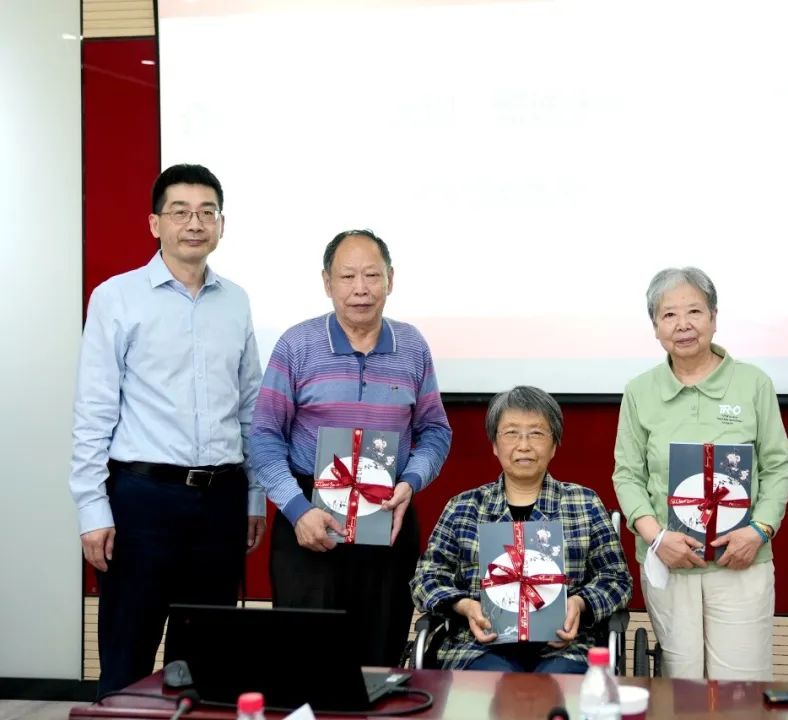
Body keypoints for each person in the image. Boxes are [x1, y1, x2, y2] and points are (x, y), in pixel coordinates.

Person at [68, 164, 265, 696]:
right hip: (142, 500)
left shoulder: (237, 300)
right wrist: (92, 509)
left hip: (221, 499)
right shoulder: (116, 297)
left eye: (207, 212)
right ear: (155, 223)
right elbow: (93, 410)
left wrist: (253, 498)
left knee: (205, 663)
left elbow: (250, 407)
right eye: (180, 212)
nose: (194, 223)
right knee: (127, 658)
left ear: (221, 224)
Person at [250, 229, 451, 667]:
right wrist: (297, 510)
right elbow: (264, 436)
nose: (361, 288)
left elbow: (436, 431)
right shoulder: (296, 345)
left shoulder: (413, 346)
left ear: (390, 279)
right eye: (347, 276)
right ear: (327, 282)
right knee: (307, 664)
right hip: (309, 521)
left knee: (379, 660)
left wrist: (411, 481)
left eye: (372, 275)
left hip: (387, 516)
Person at [612, 267, 788, 680]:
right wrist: (657, 538)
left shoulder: (753, 383)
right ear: (655, 327)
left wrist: (759, 531)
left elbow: (778, 465)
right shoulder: (640, 391)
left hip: (741, 559)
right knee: (682, 682)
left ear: (714, 317)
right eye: (669, 315)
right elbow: (627, 474)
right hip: (669, 559)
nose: (683, 324)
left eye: (694, 311)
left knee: (741, 686)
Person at [410, 386, 632, 672]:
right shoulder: (463, 507)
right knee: (495, 684)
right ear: (495, 444)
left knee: (555, 685)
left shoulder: (584, 503)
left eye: (536, 433)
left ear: (554, 445)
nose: (524, 445)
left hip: (569, 645)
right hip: (477, 644)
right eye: (511, 433)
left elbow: (616, 579)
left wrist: (579, 603)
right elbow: (426, 578)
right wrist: (463, 606)